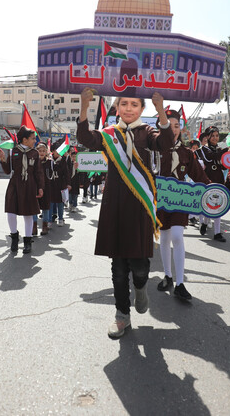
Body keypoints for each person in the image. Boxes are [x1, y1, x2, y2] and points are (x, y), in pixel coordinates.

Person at [77, 88, 171, 338]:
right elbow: (85, 138)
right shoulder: (109, 134)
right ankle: (122, 315)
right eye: (124, 103)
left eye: (134, 104)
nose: (129, 108)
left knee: (139, 266)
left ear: (141, 109)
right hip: (115, 205)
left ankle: (140, 287)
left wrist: (160, 109)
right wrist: (84, 105)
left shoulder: (147, 132)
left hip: (140, 206)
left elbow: (166, 143)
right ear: (117, 107)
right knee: (118, 268)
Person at [156, 110, 210, 301]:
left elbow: (200, 176)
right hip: (160, 200)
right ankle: (168, 275)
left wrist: (218, 193)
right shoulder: (154, 151)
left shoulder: (187, 152)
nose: (173, 129)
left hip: (180, 199)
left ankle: (180, 283)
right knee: (164, 237)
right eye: (168, 125)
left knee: (177, 236)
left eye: (176, 126)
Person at [0, 126, 44, 254]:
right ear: (25, 140)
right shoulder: (13, 152)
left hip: (30, 185)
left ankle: (27, 241)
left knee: (28, 214)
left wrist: (40, 187)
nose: (35, 141)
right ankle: (14, 236)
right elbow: (7, 170)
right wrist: (2, 159)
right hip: (15, 184)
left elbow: (38, 172)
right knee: (11, 212)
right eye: (33, 138)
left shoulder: (34, 153)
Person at [197, 127, 227, 241]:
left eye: (217, 135)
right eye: (212, 136)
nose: (215, 138)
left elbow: (223, 166)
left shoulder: (219, 149)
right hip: (208, 179)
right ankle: (205, 223)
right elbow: (210, 158)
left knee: (218, 205)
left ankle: (217, 233)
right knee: (207, 204)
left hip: (218, 179)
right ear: (208, 137)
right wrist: (224, 151)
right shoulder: (203, 150)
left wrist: (227, 159)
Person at [35, 142, 52, 236]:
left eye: (43, 151)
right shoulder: (33, 162)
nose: (41, 152)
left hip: (47, 188)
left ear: (46, 152)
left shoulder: (50, 163)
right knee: (34, 208)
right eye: (39, 151)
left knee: (45, 208)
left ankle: (45, 227)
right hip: (35, 188)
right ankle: (33, 227)